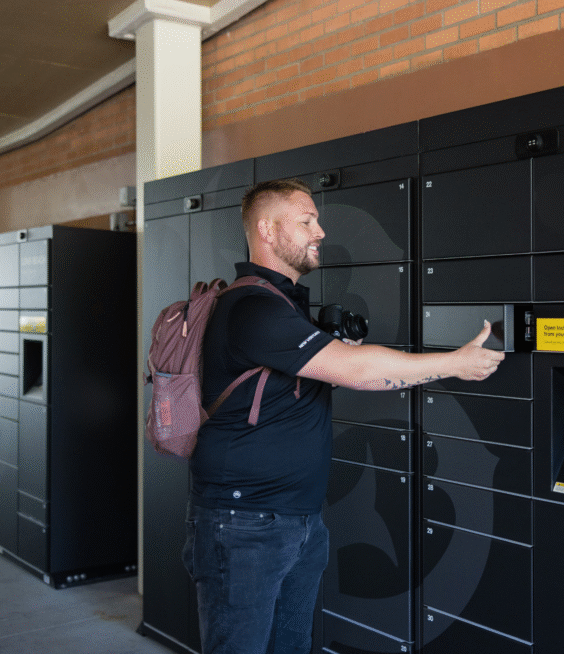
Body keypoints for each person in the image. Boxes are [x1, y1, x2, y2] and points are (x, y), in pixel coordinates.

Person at [182, 178, 504, 654]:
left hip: (296, 520)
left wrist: (333, 359)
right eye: (306, 220)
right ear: (267, 230)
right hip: (246, 525)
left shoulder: (281, 302)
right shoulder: (252, 306)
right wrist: (455, 363)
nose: (321, 231)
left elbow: (305, 379)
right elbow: (358, 371)